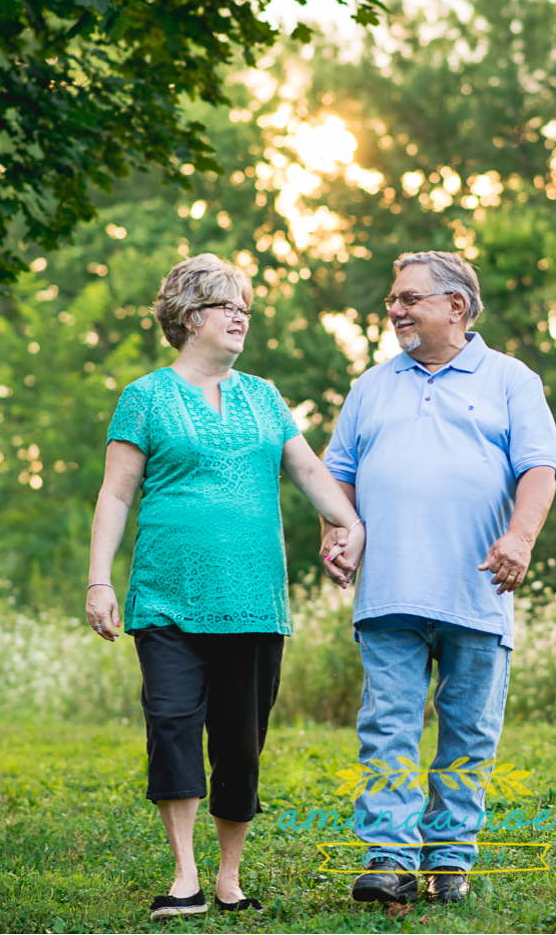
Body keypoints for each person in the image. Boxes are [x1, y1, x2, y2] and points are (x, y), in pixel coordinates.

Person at [87, 253, 365, 921]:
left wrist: (348, 521)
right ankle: (184, 875)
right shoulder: (145, 397)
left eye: (245, 307)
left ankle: (229, 877)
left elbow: (307, 471)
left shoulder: (264, 397)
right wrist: (100, 580)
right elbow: (116, 494)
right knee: (173, 725)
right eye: (226, 305)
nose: (242, 316)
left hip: (252, 600)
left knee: (241, 742)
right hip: (165, 597)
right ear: (190, 318)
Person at [320, 251, 556, 905]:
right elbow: (336, 473)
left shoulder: (512, 380)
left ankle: (449, 861)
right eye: (392, 300)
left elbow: (539, 468)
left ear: (456, 306)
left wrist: (519, 537)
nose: (393, 310)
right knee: (387, 728)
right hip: (390, 591)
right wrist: (336, 532)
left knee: (467, 733)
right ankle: (390, 858)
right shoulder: (371, 385)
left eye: (408, 298)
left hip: (479, 590)